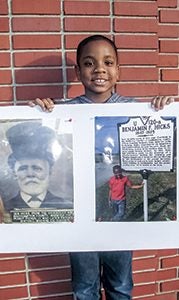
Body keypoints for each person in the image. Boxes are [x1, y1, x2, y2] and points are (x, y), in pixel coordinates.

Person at [30, 35, 174, 300]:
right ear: (78, 72)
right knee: (84, 288)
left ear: (118, 70)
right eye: (89, 63)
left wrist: (164, 112)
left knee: (120, 286)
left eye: (108, 62)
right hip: (79, 223)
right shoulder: (62, 112)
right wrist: (37, 114)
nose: (99, 69)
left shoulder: (138, 111)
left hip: (119, 227)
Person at [4, 121, 72, 212]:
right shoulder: (4, 208)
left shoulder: (66, 207)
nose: (30, 174)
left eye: (37, 168)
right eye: (23, 168)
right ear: (14, 173)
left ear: (49, 171)